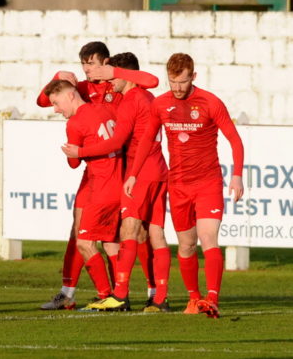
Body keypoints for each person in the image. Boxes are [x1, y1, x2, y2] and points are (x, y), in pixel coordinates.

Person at [122, 53, 244, 318]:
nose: (177, 88)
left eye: (183, 82)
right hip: (178, 185)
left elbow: (235, 140)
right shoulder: (161, 104)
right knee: (186, 245)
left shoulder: (211, 103)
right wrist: (133, 173)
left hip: (208, 183)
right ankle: (193, 299)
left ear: (193, 77)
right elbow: (146, 140)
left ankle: (212, 298)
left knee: (208, 237)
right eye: (173, 82)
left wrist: (236, 175)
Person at [39, 42, 159, 310]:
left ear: (107, 65)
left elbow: (151, 81)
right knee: (97, 233)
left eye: (92, 63)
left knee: (134, 233)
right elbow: (46, 99)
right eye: (83, 64)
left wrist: (79, 150)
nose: (86, 69)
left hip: (122, 169)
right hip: (104, 172)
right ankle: (74, 291)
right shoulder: (85, 91)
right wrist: (58, 76)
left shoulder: (118, 87)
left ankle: (137, 292)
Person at [45, 79, 123, 309]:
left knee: (85, 243)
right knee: (111, 243)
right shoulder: (105, 108)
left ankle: (105, 295)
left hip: (101, 187)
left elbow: (73, 163)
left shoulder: (75, 123)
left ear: (70, 96)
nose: (56, 110)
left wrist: (72, 151)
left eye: (56, 103)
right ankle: (121, 296)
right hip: (120, 181)